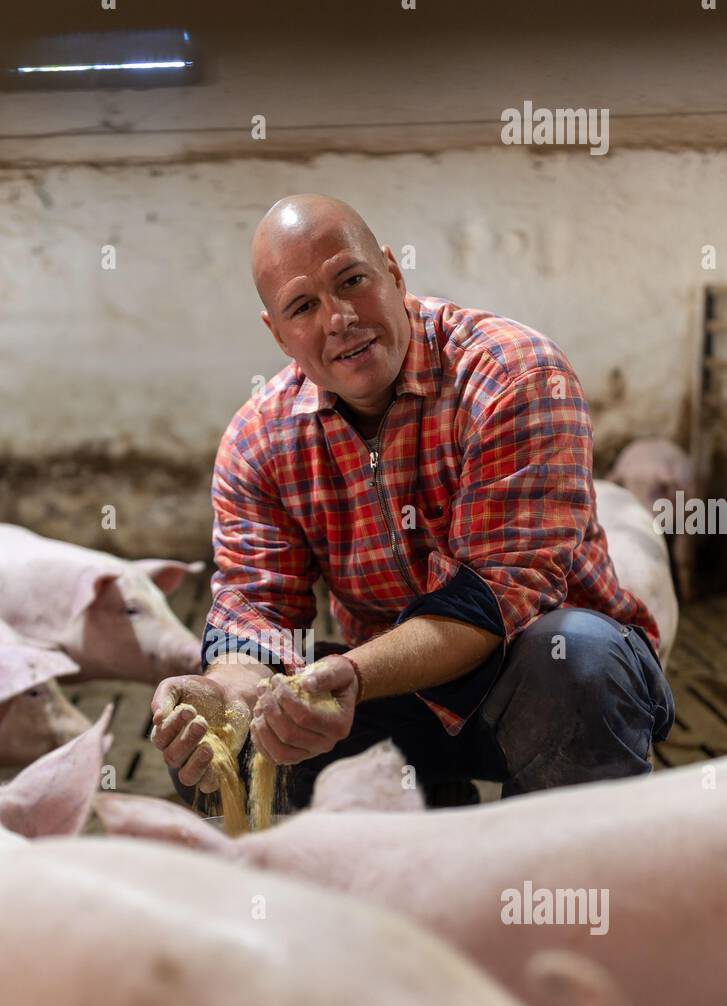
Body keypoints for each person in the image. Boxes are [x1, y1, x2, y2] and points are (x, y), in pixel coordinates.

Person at [152, 194, 675, 809]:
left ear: (394, 274)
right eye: (302, 306)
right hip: (388, 690)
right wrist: (229, 691)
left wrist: (351, 675)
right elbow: (258, 612)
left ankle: (557, 878)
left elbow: (489, 598)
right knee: (225, 745)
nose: (339, 318)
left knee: (577, 656)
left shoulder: (513, 376)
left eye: (352, 280)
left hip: (537, 677)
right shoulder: (259, 439)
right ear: (278, 333)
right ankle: (406, 836)